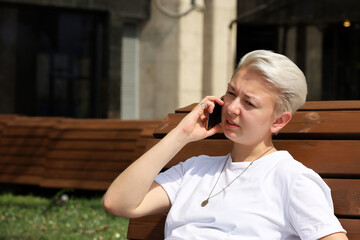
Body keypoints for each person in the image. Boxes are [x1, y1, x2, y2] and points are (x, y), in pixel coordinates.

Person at [103, 50, 348, 240]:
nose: (231, 107)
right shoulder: (194, 170)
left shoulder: (292, 179)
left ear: (279, 121)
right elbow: (118, 203)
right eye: (231, 93)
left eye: (249, 103)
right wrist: (181, 134)